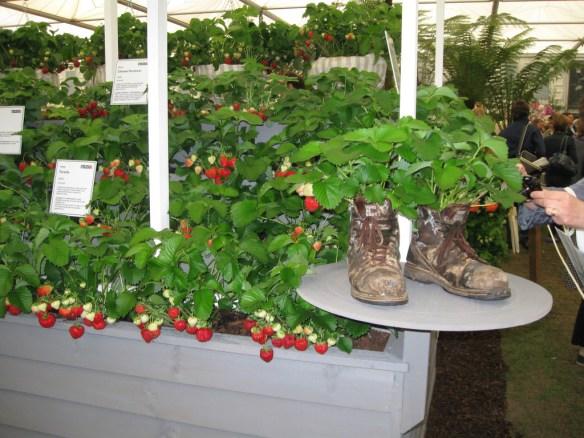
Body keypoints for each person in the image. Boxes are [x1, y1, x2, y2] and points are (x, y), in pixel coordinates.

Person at [543, 112, 578, 188]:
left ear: (554, 126)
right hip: (563, 176)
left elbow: (543, 156)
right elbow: (574, 159)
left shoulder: (546, 139)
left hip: (549, 175)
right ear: (565, 126)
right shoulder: (569, 140)